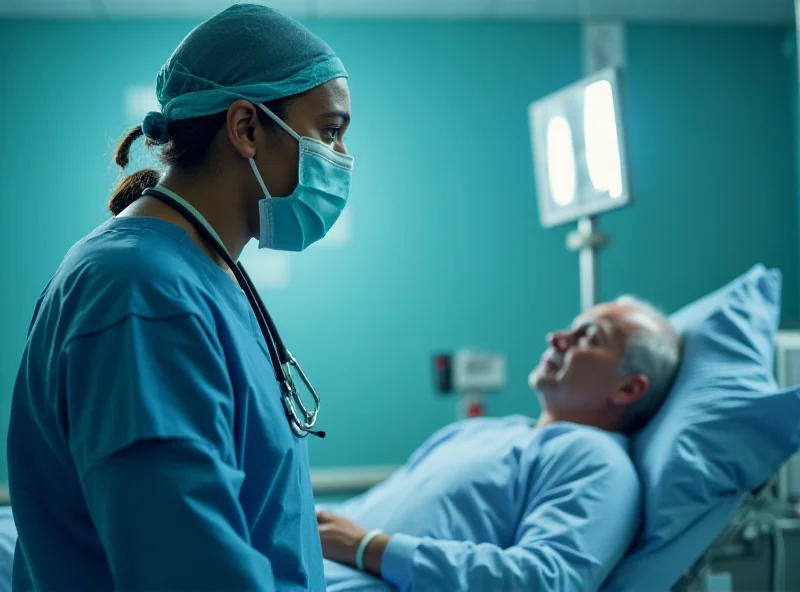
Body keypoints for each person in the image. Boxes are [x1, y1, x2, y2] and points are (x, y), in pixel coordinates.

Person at [7, 4, 352, 590]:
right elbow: (185, 564)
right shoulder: (139, 291)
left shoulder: (202, 270)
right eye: (330, 131)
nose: (341, 159)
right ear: (246, 127)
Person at [317, 296, 682, 592]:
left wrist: (366, 547)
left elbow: (543, 581)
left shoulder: (596, 461)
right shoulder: (483, 431)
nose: (557, 338)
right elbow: (360, 516)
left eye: (588, 337)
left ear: (628, 388)